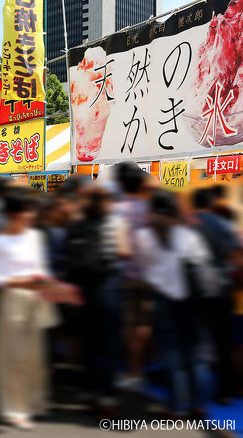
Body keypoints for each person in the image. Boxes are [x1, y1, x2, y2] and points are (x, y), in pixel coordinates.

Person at [135, 190, 211, 418]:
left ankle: (178, 406)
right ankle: (199, 405)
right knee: (195, 356)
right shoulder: (188, 236)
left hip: (163, 300)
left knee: (172, 355)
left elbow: (144, 271)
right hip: (191, 302)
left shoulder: (143, 237)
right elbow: (204, 265)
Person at [0, 191, 56, 430]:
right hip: (13, 300)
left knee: (35, 356)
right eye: (26, 211)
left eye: (32, 211)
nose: (31, 216)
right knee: (13, 357)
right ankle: (14, 409)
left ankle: (35, 402)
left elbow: (41, 267)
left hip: (36, 298)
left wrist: (46, 283)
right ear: (12, 215)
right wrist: (22, 283)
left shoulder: (35, 236)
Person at [65, 185, 129, 414]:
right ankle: (106, 396)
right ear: (106, 202)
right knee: (108, 344)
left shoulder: (77, 225)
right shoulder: (115, 223)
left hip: (84, 290)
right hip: (109, 288)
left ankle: (89, 393)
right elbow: (124, 251)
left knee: (90, 343)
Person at [191, 187, 241, 403]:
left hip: (194, 291)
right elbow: (237, 258)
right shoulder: (223, 225)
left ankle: (196, 395)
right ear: (210, 203)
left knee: (197, 343)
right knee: (223, 344)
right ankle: (224, 391)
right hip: (221, 289)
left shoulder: (188, 226)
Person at [113, 161, 152, 391]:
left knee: (129, 325)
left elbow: (120, 249)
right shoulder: (148, 209)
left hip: (126, 274)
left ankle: (132, 371)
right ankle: (140, 368)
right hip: (148, 274)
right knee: (144, 322)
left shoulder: (119, 210)